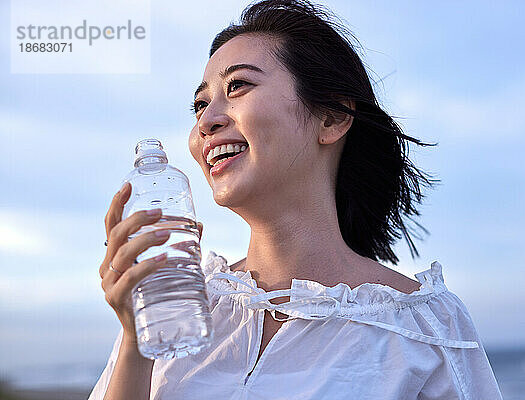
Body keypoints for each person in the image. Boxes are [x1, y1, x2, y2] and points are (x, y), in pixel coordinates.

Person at [89, 0, 503, 399]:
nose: (207, 121)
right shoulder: (182, 307)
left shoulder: (423, 327)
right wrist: (136, 339)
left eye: (238, 86)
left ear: (333, 117)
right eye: (200, 104)